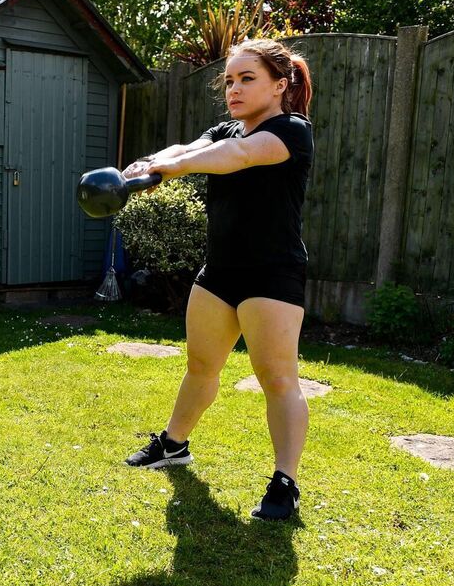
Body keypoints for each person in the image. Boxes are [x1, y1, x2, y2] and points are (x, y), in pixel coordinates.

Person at [121, 38, 314, 521]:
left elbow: (237, 157)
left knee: (277, 378)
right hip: (220, 273)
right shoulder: (225, 128)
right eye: (229, 80)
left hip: (272, 276)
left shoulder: (291, 132)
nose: (235, 88)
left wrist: (172, 168)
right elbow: (189, 146)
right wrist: (150, 163)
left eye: (247, 78)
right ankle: (173, 444)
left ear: (280, 84)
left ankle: (285, 481)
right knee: (201, 367)